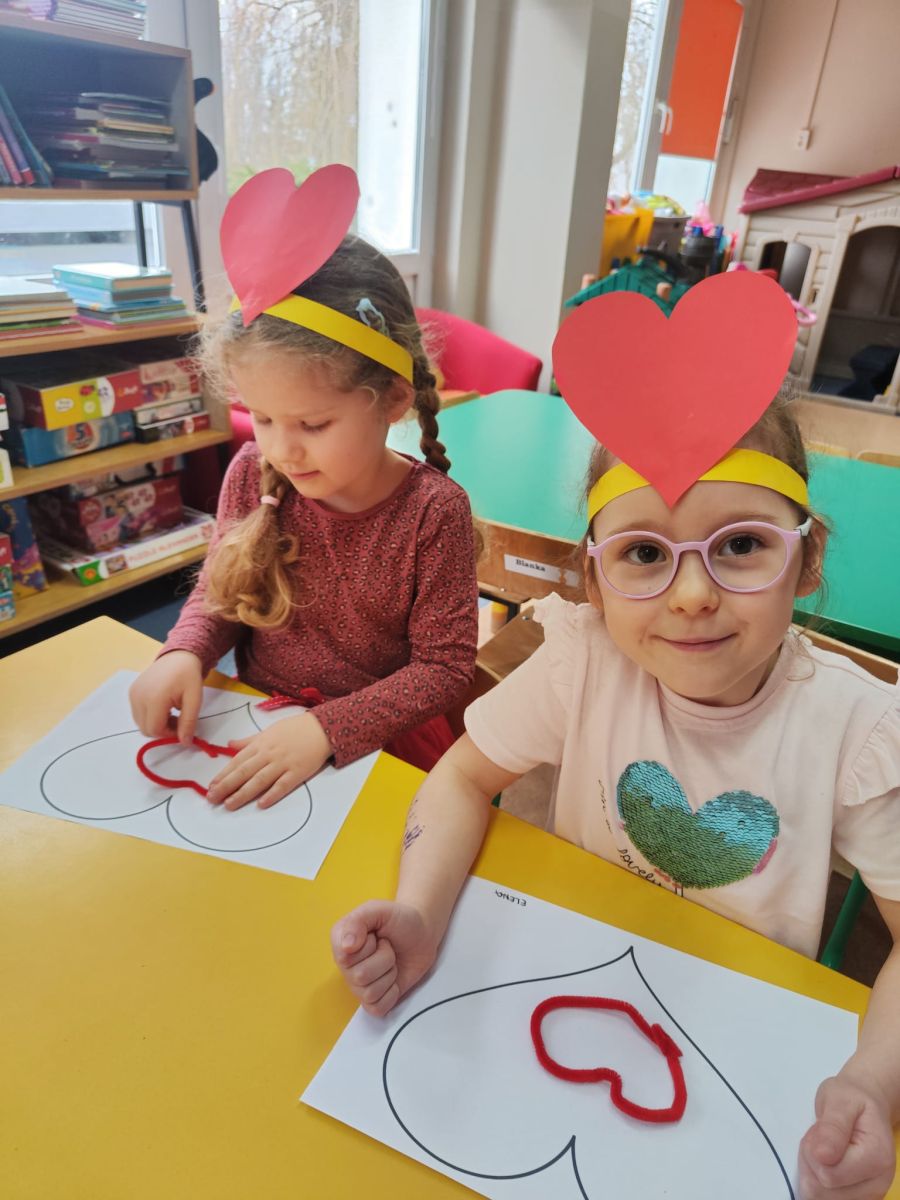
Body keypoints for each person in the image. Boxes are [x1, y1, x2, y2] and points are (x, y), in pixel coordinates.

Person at [332, 387, 900, 1199]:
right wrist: (421, 913)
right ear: (595, 580)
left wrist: (874, 1080)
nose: (692, 594)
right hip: (566, 991)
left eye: (742, 544)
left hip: (736, 1053)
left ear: (806, 561)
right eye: (644, 554)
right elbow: (461, 777)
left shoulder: (858, 730)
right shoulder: (584, 661)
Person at [129, 168, 478, 810]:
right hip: (261, 720)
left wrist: (326, 729)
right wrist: (183, 653)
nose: (282, 450)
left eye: (312, 425)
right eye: (262, 418)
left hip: (379, 741)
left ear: (392, 400)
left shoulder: (434, 511)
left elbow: (445, 669)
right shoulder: (252, 473)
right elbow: (222, 595)